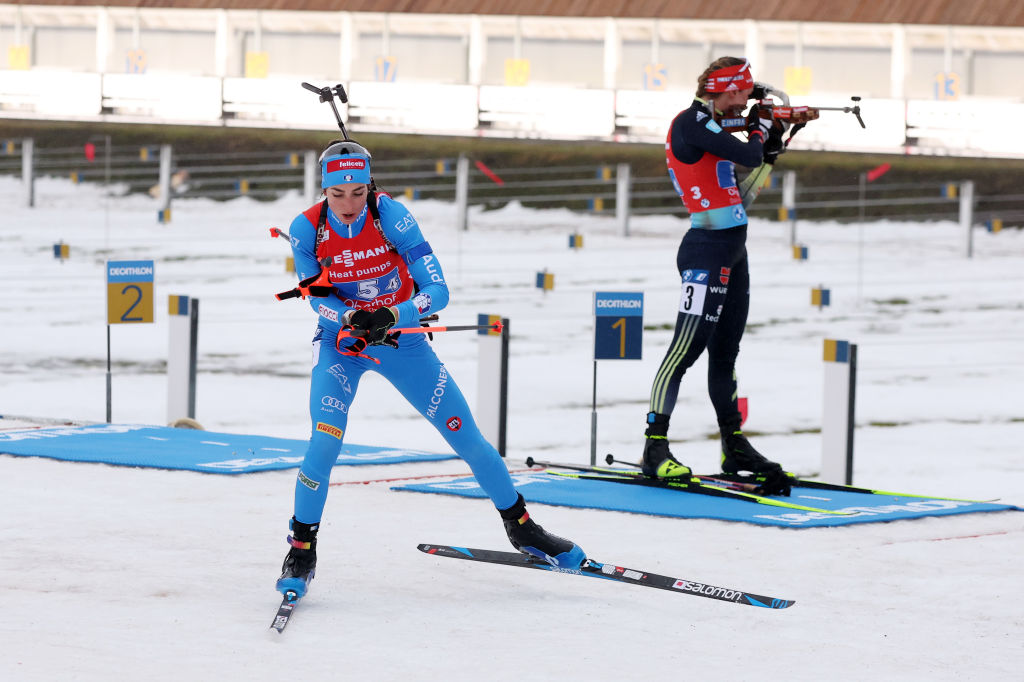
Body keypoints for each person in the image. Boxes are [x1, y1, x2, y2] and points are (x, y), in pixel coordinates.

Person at [275, 139, 585, 598]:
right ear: (324, 189)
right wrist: (348, 318)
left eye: (357, 192)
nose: (347, 204)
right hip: (343, 346)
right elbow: (315, 296)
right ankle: (302, 549)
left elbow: (436, 291)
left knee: (468, 438)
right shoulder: (306, 229)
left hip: (403, 343)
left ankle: (523, 528)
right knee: (323, 443)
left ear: (368, 185)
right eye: (337, 194)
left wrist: (392, 316)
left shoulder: (392, 216)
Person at [640, 56, 793, 495]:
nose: (746, 102)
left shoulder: (715, 127)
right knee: (684, 351)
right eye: (743, 94)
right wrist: (762, 126)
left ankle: (733, 445)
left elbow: (755, 169)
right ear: (726, 91)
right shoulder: (692, 123)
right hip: (705, 253)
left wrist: (777, 131)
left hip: (732, 251)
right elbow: (749, 151)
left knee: (725, 353)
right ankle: (654, 447)